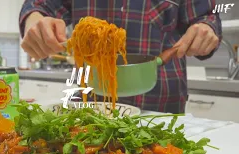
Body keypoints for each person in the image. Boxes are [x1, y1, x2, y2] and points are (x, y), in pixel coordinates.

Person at [19, 0, 222, 114]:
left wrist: (206, 28)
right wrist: (34, 20)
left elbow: (208, 15)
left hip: (160, 111)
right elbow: (39, 5)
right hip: (92, 110)